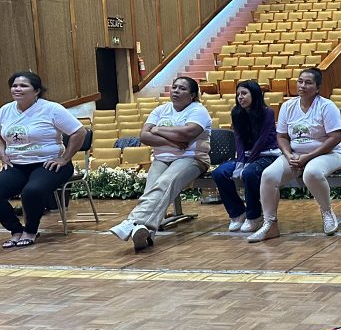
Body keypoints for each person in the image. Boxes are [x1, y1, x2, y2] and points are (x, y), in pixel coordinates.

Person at [110, 76, 212, 250]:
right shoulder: (160, 110)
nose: (176, 91)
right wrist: (173, 142)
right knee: (151, 190)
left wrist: (157, 129)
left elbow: (187, 133)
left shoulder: (198, 110)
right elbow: (144, 136)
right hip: (162, 158)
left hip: (191, 158)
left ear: (192, 95)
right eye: (174, 87)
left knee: (165, 183)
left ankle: (132, 221)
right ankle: (145, 233)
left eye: (182, 88)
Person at [248, 67, 341, 242]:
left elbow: (335, 137)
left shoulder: (327, 106)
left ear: (317, 88)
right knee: (268, 175)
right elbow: (282, 136)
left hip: (328, 154)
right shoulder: (287, 106)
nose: (302, 86)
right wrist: (288, 155)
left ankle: (327, 211)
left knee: (312, 172)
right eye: (300, 81)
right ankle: (270, 224)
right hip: (295, 155)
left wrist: (308, 157)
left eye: (308, 83)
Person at [0, 71, 87, 247]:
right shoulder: (5, 110)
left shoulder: (52, 109)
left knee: (32, 191)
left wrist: (64, 158)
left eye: (23, 86)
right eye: (14, 85)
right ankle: (16, 230)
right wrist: (3, 155)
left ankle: (30, 231)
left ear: (37, 90)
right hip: (18, 165)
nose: (17, 89)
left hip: (50, 164)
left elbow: (79, 132)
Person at [211, 80, 279, 232]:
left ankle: (254, 215)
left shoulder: (267, 112)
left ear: (254, 94)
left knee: (249, 173)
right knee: (219, 173)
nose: (240, 97)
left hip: (268, 154)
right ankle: (237, 213)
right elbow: (239, 140)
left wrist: (247, 164)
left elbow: (262, 140)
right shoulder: (237, 113)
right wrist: (241, 162)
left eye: (244, 93)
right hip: (246, 156)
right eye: (238, 94)